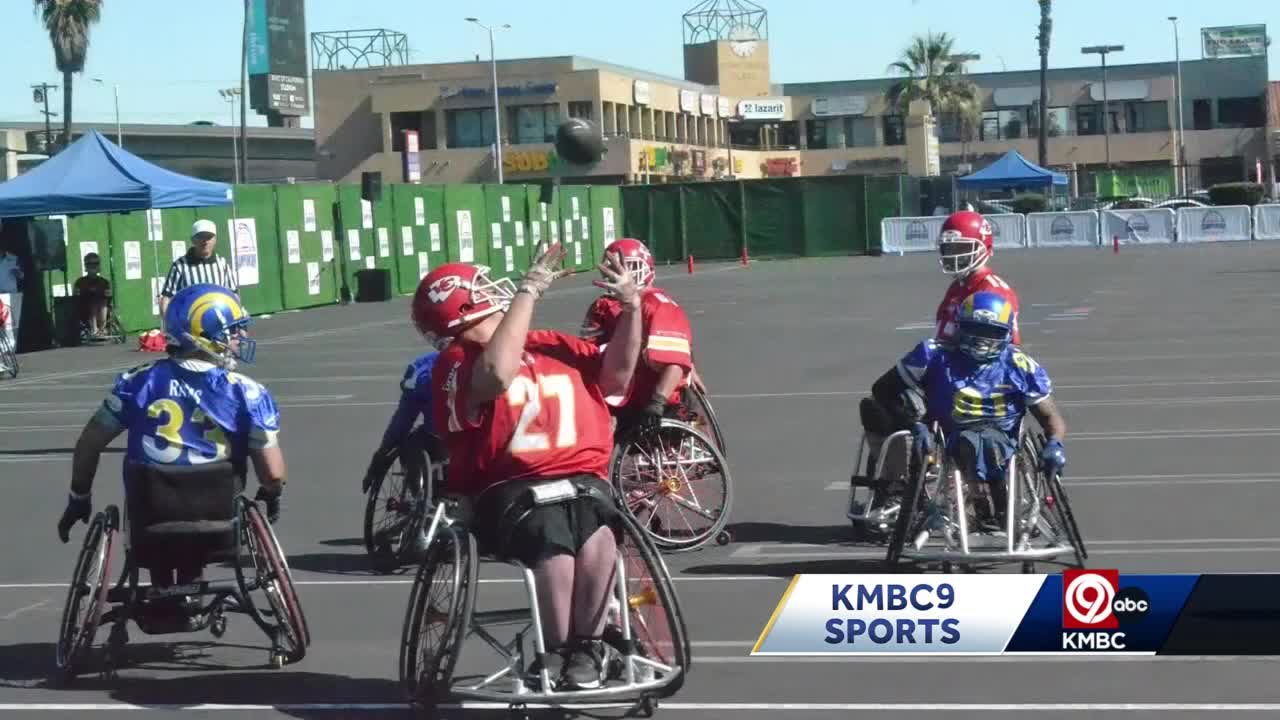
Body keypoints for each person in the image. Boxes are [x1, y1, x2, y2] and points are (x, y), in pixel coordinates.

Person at [418, 243, 643, 690]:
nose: (494, 291)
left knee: (598, 537)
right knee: (552, 540)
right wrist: (528, 291)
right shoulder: (458, 362)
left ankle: (588, 647)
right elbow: (498, 374)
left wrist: (631, 307)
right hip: (509, 489)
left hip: (580, 482)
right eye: (480, 286)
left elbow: (618, 376)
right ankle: (555, 651)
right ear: (462, 304)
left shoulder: (552, 345)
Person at [56, 283, 285, 627]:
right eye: (232, 329)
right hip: (218, 522)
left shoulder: (136, 382)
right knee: (212, 494)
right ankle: (189, 588)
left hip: (150, 519)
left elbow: (90, 443)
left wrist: (79, 496)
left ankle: (164, 586)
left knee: (155, 497)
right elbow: (273, 473)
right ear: (203, 335)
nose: (241, 335)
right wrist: (271, 493)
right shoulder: (246, 392)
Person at [866, 291, 1067, 530]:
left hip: (1004, 440)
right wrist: (914, 423)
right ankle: (978, 505)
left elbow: (1049, 416)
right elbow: (883, 389)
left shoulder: (1019, 364)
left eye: (991, 333)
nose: (982, 341)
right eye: (975, 330)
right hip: (947, 435)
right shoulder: (933, 354)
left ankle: (995, 506)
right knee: (964, 440)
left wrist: (1055, 443)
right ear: (959, 327)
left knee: (984, 444)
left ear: (1005, 333)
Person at [578, 237, 703, 430]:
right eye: (616, 267)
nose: (622, 273)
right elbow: (587, 353)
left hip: (654, 398)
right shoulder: (602, 307)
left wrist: (657, 403)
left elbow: (675, 362)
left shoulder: (659, 305)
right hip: (619, 395)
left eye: (629, 266)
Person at [361, 347, 442, 555]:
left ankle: (420, 505)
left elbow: (403, 421)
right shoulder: (492, 362)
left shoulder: (422, 368)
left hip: (439, 438)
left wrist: (381, 455)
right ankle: (423, 506)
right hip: (470, 439)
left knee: (410, 442)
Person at [933, 210, 1021, 346]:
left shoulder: (990, 292)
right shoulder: (958, 286)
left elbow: (998, 351)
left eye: (961, 248)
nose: (953, 255)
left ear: (984, 247)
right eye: (949, 248)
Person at [159, 220, 240, 326]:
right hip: (189, 326)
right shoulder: (180, 265)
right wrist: (170, 324)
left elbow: (232, 294)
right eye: (201, 237)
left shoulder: (222, 263)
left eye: (209, 237)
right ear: (193, 240)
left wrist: (237, 324)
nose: (205, 241)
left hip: (219, 325)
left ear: (215, 240)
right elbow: (166, 297)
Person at [73, 252, 113, 338]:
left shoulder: (104, 282)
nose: (93, 266)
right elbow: (76, 299)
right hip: (85, 310)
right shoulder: (80, 282)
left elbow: (108, 298)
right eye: (90, 264)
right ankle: (94, 329)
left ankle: (102, 328)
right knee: (93, 303)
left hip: (102, 308)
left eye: (96, 264)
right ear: (86, 266)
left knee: (102, 302)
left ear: (99, 266)